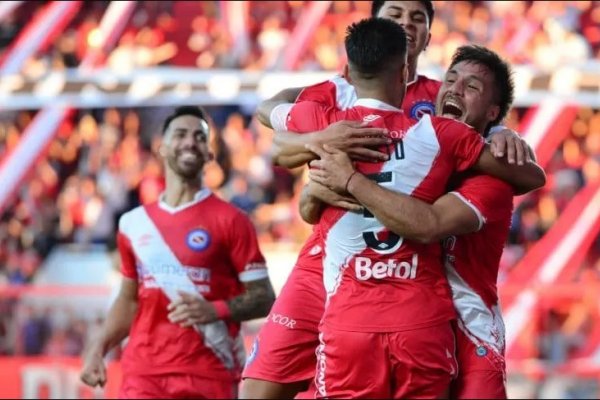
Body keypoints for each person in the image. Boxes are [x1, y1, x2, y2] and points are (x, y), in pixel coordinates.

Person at [241, 1, 532, 398]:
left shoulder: (443, 97)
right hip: (330, 264)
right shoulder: (338, 90)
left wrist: (500, 135)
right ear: (374, 26)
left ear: (429, 36)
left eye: (418, 18)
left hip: (419, 271)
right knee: (258, 390)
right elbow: (274, 132)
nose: (406, 23)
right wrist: (316, 150)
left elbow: (512, 166)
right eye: (395, 14)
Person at [306, 44, 519, 399]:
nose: (454, 89)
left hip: (471, 334)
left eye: (472, 87)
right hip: (412, 321)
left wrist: (350, 181)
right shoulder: (415, 152)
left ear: (492, 111)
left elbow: (428, 224)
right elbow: (305, 192)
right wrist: (314, 186)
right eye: (450, 80)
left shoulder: (492, 182)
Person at [80, 106, 275, 399]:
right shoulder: (133, 224)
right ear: (162, 147)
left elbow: (264, 297)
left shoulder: (233, 221)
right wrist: (98, 347)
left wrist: (215, 310)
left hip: (209, 374)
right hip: (143, 374)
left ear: (209, 154)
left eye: (199, 137)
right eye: (181, 134)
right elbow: (128, 299)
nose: (190, 142)